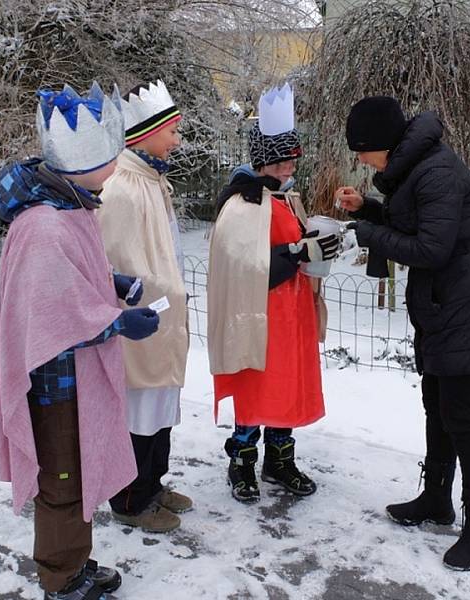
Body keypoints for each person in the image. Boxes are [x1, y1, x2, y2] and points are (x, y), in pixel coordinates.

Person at [0, 82, 160, 599]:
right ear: (80, 163)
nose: (115, 167)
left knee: (78, 471)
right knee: (63, 481)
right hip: (52, 384)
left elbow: (69, 279)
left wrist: (110, 284)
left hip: (71, 378)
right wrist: (116, 322)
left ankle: (74, 564)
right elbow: (50, 311)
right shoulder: (45, 223)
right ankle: (62, 581)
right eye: (108, 159)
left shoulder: (71, 207)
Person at [337, 96, 470, 571]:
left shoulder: (435, 172)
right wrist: (369, 210)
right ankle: (436, 499)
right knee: (437, 407)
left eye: (361, 150)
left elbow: (431, 248)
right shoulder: (419, 167)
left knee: (462, 417)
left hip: (467, 307)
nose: (359, 159)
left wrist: (366, 235)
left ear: (381, 145)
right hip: (445, 307)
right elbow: (415, 223)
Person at [207, 83, 338, 503]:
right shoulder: (242, 205)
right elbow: (246, 268)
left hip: (291, 315)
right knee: (255, 386)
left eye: (292, 161)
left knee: (284, 385)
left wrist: (317, 246)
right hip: (258, 316)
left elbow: (293, 250)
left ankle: (279, 460)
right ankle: (241, 459)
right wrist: (298, 251)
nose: (288, 169)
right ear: (263, 161)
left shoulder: (284, 198)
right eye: (281, 162)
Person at [98, 79, 192, 533]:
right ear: (146, 132)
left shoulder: (153, 181)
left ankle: (153, 484)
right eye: (172, 130)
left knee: (161, 406)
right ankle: (130, 499)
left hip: (164, 315)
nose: (177, 139)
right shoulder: (122, 187)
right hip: (142, 319)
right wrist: (154, 296)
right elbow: (117, 261)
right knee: (140, 409)